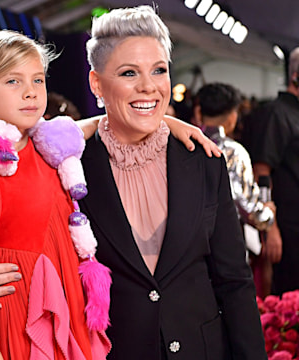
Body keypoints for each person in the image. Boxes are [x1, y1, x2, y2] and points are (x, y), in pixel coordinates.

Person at [80, 6, 265, 359]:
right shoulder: (72, 165)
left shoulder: (203, 160)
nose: (148, 86)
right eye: (129, 72)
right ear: (96, 83)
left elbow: (234, 282)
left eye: (159, 70)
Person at [0, 30, 109, 360]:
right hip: (18, 322)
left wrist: (174, 124)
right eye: (13, 81)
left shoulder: (49, 147)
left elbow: (103, 123)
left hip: (68, 307)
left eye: (38, 80)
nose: (31, 93)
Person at [194, 83, 275, 245]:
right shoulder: (234, 151)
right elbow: (247, 207)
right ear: (232, 116)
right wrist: (268, 213)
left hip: (188, 243)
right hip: (225, 242)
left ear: (198, 112)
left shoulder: (183, 145)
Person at [248, 46, 299, 296]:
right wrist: (271, 229)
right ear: (295, 76)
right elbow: (261, 172)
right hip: (288, 227)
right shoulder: (277, 114)